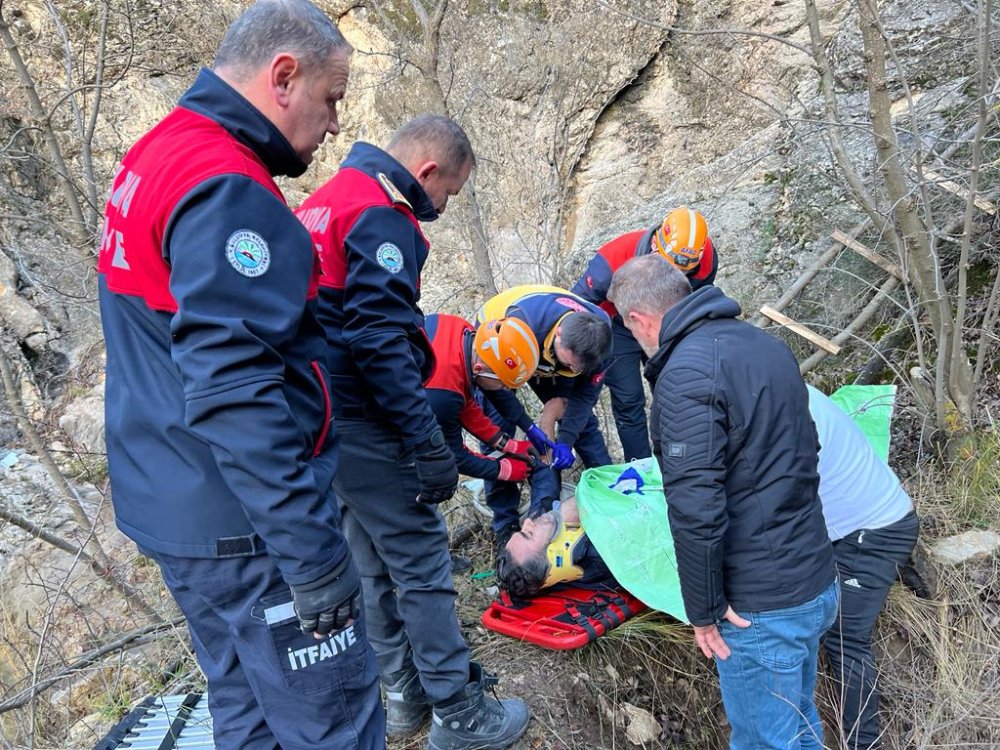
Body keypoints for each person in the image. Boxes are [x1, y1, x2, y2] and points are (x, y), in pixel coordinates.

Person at [96, 2, 383, 748]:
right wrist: (314, 555)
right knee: (334, 719)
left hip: (173, 504)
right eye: (331, 100)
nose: (332, 129)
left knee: (247, 709)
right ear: (283, 76)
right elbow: (235, 387)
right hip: (248, 526)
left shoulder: (157, 152)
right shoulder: (226, 188)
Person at [296, 115, 529, 750]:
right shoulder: (382, 217)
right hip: (369, 420)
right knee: (422, 566)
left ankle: (404, 696)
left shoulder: (324, 202)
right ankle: (458, 713)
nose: (443, 206)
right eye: (449, 192)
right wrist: (425, 440)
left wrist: (512, 447)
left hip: (322, 420)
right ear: (426, 173)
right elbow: (377, 340)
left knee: (371, 562)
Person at [608, 253, 838, 750]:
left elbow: (696, 507)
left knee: (764, 742)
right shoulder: (765, 345)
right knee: (799, 730)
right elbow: (805, 452)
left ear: (639, 321)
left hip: (761, 606)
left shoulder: (686, 374)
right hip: (815, 579)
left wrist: (704, 609)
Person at [808, 386, 919, 750]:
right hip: (861, 523)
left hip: (874, 531)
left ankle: (864, 744)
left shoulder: (784, 415)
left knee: (844, 635)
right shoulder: (784, 389)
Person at [571, 206, 718, 461]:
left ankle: (680, 459)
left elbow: (698, 300)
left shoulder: (704, 262)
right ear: (654, 245)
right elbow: (575, 306)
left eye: (681, 273)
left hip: (669, 323)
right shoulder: (613, 260)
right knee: (629, 400)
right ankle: (640, 465)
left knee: (677, 389)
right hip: (619, 325)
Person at [475, 285, 614, 548]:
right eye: (570, 363)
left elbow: (583, 399)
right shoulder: (524, 325)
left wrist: (566, 440)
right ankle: (506, 525)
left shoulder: (600, 342)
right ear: (560, 334)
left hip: (546, 354)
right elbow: (499, 394)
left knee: (580, 423)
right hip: (501, 345)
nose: (573, 369)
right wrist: (530, 427)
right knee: (496, 431)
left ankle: (610, 489)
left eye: (577, 368)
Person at [424, 313, 542, 487]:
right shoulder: (442, 394)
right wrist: (503, 469)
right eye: (503, 385)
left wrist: (507, 445)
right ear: (480, 368)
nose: (505, 390)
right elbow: (453, 455)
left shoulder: (466, 332)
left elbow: (464, 402)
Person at [496, 488, 616, 598]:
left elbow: (544, 488)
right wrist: (576, 505)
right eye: (529, 534)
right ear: (556, 557)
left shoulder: (572, 562)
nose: (527, 522)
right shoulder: (605, 554)